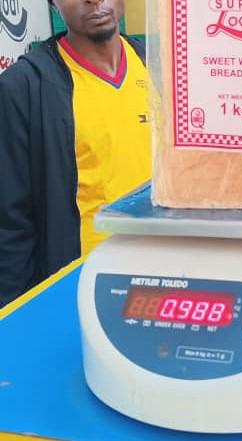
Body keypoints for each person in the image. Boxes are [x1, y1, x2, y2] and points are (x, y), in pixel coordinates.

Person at [0, 0, 155, 307]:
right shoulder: (23, 88)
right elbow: (10, 220)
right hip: (85, 284)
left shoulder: (159, 66)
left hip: (167, 268)